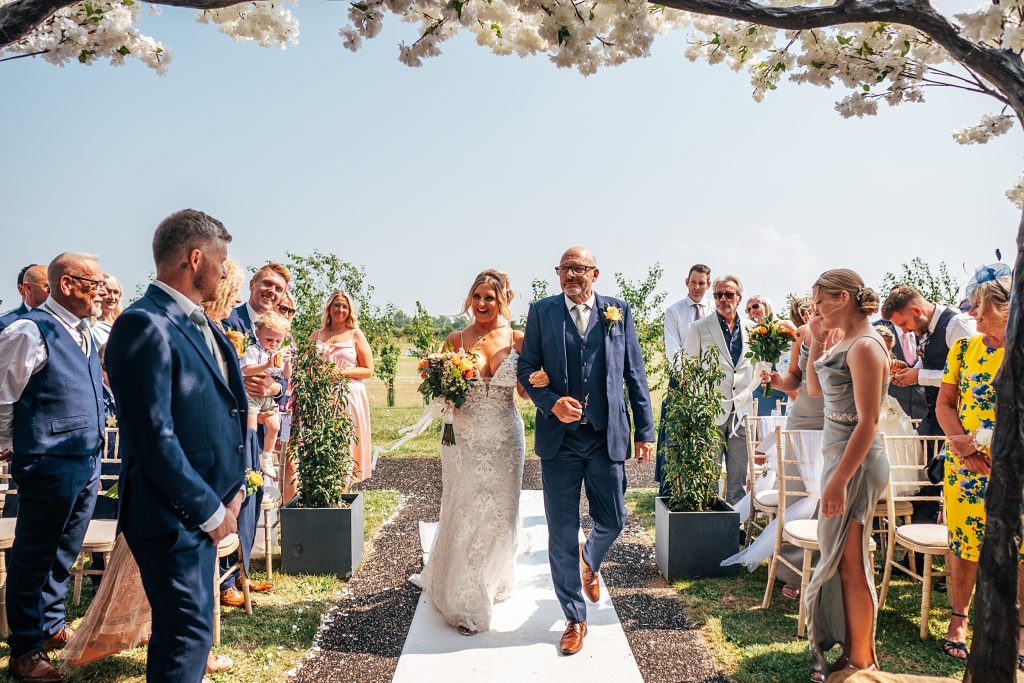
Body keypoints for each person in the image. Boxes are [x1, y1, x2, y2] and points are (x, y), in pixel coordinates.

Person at [105, 209, 247, 683]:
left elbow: (224, 410)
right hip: (170, 515)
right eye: (221, 260)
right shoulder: (144, 324)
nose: (226, 271)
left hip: (204, 506)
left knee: (187, 633)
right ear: (194, 257)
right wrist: (211, 511)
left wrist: (237, 485)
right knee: (187, 634)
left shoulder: (202, 324)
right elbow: (152, 438)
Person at [517, 247, 655, 656]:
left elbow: (634, 373)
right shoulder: (542, 312)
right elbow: (526, 369)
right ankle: (575, 618)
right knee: (561, 532)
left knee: (613, 518)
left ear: (595, 273)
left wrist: (645, 431)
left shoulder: (619, 311)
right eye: (564, 269)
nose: (570, 275)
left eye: (578, 268)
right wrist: (551, 402)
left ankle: (590, 560)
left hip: (604, 434)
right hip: (559, 442)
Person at [0, 252, 107, 683]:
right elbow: (4, 395)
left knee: (65, 550)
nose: (100, 291)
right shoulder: (29, 329)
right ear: (67, 285)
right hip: (47, 459)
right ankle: (25, 648)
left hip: (86, 458)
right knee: (35, 553)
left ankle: (52, 622)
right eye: (92, 283)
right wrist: (10, 444)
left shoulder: (83, 331)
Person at [410, 269, 527, 635]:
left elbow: (524, 393)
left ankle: (492, 579)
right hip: (464, 438)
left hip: (506, 437)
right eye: (476, 297)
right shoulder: (455, 339)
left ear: (501, 300)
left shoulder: (519, 339)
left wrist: (536, 382)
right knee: (465, 509)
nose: (481, 304)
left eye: (489, 298)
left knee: (501, 513)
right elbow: (439, 391)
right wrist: (447, 394)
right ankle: (465, 597)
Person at [804, 268, 889, 681]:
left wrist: (839, 479)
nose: (815, 309)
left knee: (851, 561)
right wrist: (819, 337)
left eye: (819, 301)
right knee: (840, 559)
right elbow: (816, 392)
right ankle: (852, 649)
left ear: (841, 297)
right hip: (837, 458)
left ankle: (861, 659)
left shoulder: (866, 347)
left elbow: (869, 421)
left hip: (855, 463)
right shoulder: (844, 341)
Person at [934, 267, 1020, 664]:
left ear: (1007, 309)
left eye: (983, 312)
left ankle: (1017, 632)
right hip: (966, 466)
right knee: (965, 544)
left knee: (1021, 549)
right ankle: (958, 621)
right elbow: (945, 404)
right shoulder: (964, 349)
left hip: (1016, 468)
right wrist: (965, 448)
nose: (975, 318)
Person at [683, 273, 754, 505]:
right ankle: (709, 521)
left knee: (738, 477)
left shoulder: (754, 330)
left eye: (728, 294)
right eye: (718, 295)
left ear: (739, 298)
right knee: (708, 474)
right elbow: (689, 369)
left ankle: (736, 527)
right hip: (711, 410)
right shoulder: (699, 327)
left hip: (742, 412)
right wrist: (697, 407)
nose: (723, 299)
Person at [881, 284, 976, 437]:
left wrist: (919, 376)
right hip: (934, 420)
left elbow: (969, 377)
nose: (905, 331)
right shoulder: (924, 325)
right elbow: (931, 360)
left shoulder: (958, 324)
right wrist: (910, 374)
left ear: (916, 311)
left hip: (961, 423)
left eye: (904, 324)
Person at [656, 263, 712, 496]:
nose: (697, 287)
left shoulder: (714, 309)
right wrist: (687, 378)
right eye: (693, 282)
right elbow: (673, 349)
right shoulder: (674, 311)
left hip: (710, 381)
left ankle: (700, 487)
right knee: (675, 432)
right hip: (682, 379)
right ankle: (670, 487)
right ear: (686, 282)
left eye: (702, 283)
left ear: (708, 284)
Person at [313, 291, 374, 484]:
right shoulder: (316, 335)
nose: (340, 309)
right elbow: (305, 367)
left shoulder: (355, 334)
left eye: (344, 306)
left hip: (349, 398)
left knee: (346, 440)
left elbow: (368, 370)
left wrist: (339, 374)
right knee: (322, 441)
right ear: (329, 308)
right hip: (321, 398)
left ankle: (343, 488)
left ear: (350, 311)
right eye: (336, 305)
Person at [241, 312, 292, 478]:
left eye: (278, 341)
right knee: (251, 429)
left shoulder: (279, 353)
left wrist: (287, 362)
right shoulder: (253, 350)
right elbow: (246, 370)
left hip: (268, 397)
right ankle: (249, 461)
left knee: (275, 426)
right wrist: (266, 364)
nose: (274, 344)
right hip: (252, 394)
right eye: (269, 339)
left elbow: (286, 376)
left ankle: (267, 457)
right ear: (257, 334)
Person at [746, 293, 788, 416]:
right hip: (758, 393)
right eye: (748, 309)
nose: (751, 311)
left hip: (781, 392)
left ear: (767, 306)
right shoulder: (751, 336)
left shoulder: (783, 329)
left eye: (755, 306)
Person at [0, 264, 49, 332]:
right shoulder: (6, 324)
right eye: (48, 286)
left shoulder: (61, 319)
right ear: (25, 288)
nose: (53, 291)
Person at [89, 274, 122, 346]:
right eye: (108, 291)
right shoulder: (90, 326)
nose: (112, 297)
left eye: (116, 292)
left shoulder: (124, 323)